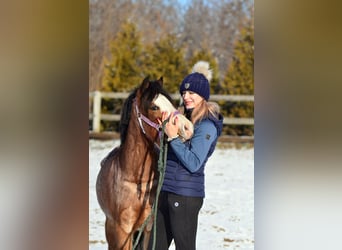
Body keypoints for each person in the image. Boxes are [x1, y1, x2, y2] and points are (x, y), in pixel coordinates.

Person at [148, 61, 224, 250]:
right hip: (167, 191)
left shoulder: (206, 125)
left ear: (203, 96)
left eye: (191, 93)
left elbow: (194, 162)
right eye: (183, 92)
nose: (186, 96)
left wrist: (173, 138)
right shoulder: (184, 120)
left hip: (186, 196)